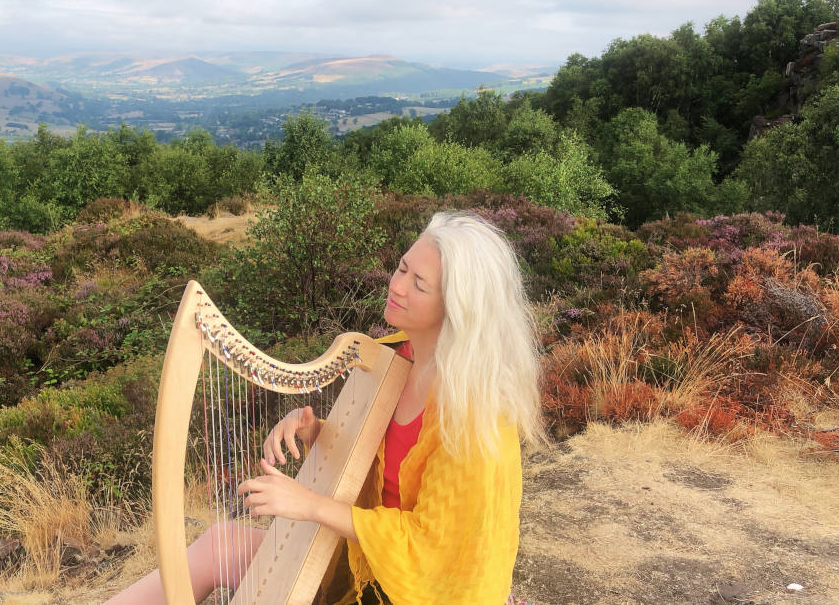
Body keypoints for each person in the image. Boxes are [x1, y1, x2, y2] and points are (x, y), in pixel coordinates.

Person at [107, 211, 546, 604]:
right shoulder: (393, 356)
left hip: (418, 589)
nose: (396, 285)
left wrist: (308, 504)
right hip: (363, 559)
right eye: (402, 267)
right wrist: (314, 432)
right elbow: (371, 461)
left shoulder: (476, 417)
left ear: (457, 306)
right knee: (218, 544)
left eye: (419, 284)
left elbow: (432, 549)